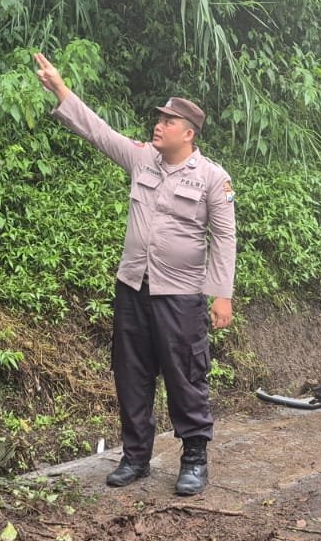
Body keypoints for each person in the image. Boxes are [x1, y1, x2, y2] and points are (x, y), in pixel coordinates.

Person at [33, 53, 236, 496]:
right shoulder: (142, 160)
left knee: (185, 375)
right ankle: (136, 456)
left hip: (181, 295)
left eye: (168, 121)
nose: (158, 125)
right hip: (133, 288)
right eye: (158, 119)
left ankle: (195, 459)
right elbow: (98, 131)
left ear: (189, 132)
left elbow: (224, 237)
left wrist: (221, 294)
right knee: (131, 372)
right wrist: (59, 87)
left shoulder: (211, 179)